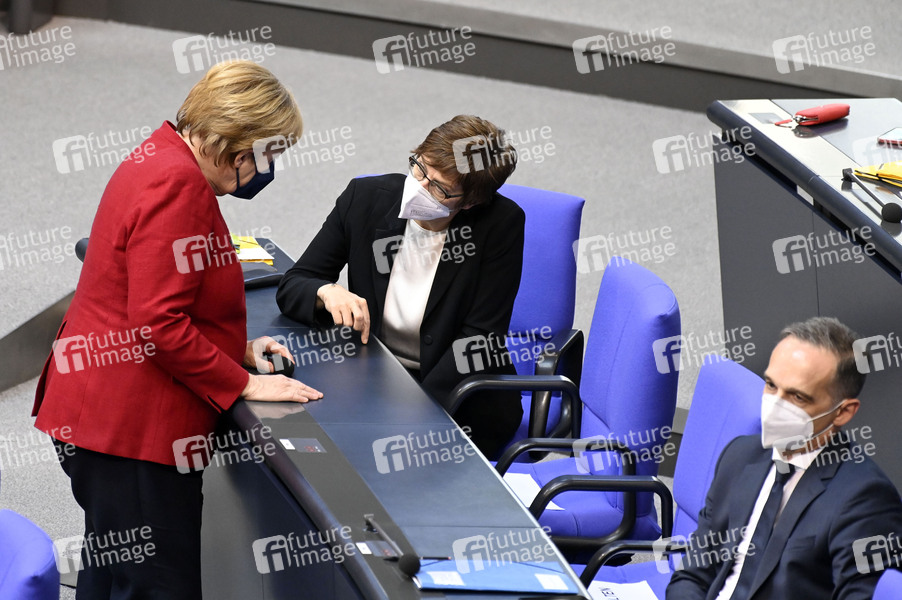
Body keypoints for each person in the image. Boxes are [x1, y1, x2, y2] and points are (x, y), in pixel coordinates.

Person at [32, 61, 322, 599]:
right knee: (159, 586)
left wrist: (235, 347)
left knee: (110, 570)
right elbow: (158, 324)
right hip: (130, 432)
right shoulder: (179, 186)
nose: (269, 168)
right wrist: (243, 382)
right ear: (241, 149)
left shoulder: (161, 152)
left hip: (99, 415)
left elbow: (156, 292)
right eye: (271, 154)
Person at [276, 115, 524, 458]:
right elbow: (295, 283)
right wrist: (325, 291)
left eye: (439, 188)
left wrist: (407, 413)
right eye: (419, 168)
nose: (419, 186)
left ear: (469, 202)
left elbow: (478, 339)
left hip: (455, 396)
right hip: (370, 376)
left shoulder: (501, 225)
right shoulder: (364, 198)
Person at [667, 316, 902, 599]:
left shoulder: (866, 501)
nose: (775, 405)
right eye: (770, 385)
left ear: (843, 412)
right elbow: (693, 574)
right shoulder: (740, 455)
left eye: (797, 397)